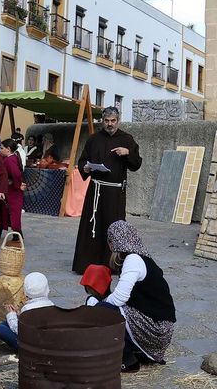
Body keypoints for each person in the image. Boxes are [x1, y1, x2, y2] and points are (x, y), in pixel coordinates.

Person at [74, 107, 144, 272]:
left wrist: (128, 153)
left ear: (118, 121)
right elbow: (82, 160)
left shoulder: (127, 139)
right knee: (93, 226)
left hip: (115, 194)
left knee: (114, 227)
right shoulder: (94, 139)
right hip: (96, 191)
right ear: (102, 121)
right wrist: (85, 168)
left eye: (113, 121)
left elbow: (136, 164)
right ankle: (87, 264)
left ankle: (112, 265)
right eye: (107, 121)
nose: (110, 124)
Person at [99, 221, 175, 372]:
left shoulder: (133, 260)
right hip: (158, 327)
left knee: (101, 311)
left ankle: (127, 360)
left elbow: (119, 298)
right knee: (104, 308)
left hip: (157, 329)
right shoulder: (140, 257)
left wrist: (99, 304)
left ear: (113, 243)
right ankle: (134, 351)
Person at [0, 271, 54, 352]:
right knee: (5, 323)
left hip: (29, 346)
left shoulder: (27, 308)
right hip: (43, 340)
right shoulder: (51, 305)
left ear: (25, 291)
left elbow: (19, 330)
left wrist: (11, 314)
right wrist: (19, 314)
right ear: (47, 289)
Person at [0, 133, 26, 236]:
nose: (1, 150)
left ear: (8, 149)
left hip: (13, 191)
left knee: (14, 213)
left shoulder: (9, 160)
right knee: (8, 212)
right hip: (12, 190)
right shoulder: (13, 158)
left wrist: (17, 185)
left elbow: (16, 174)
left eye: (2, 148)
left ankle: (17, 238)